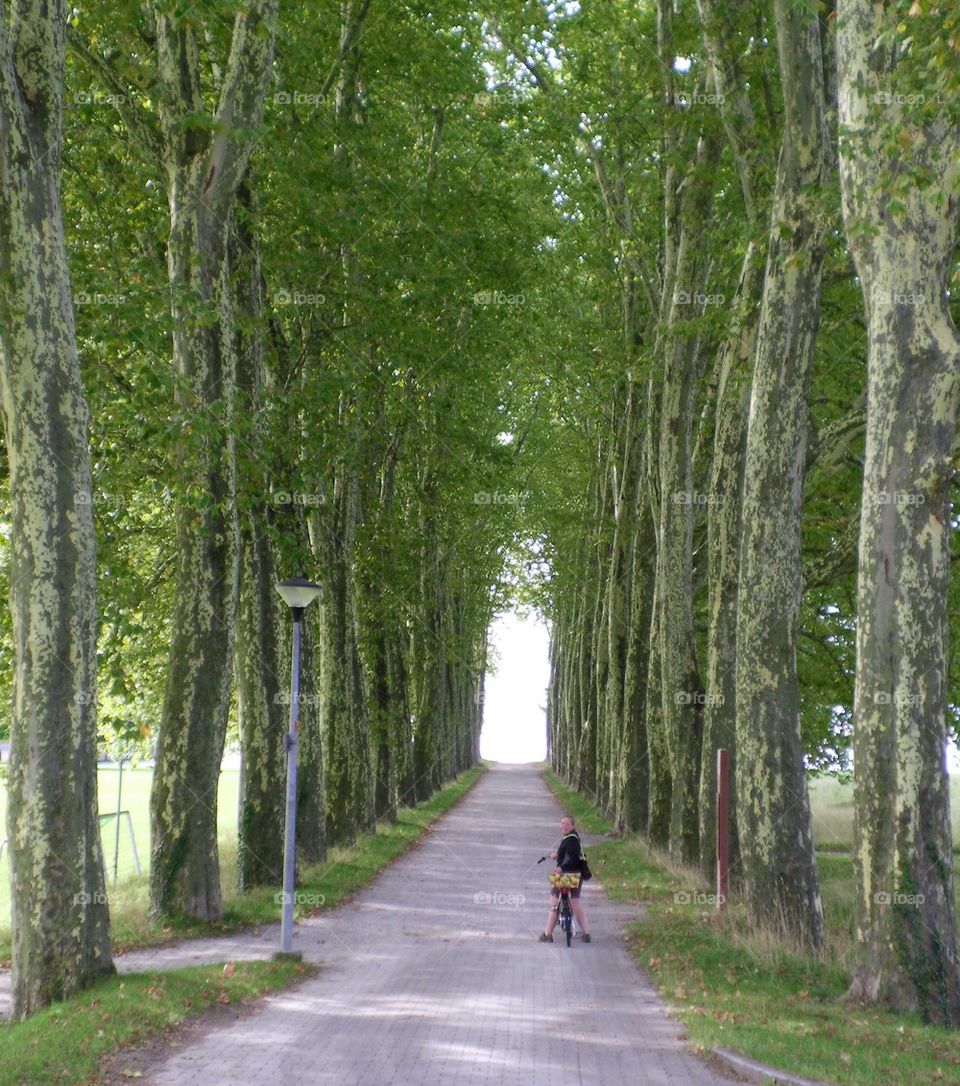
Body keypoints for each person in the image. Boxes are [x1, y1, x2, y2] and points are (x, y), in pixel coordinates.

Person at [538, 814, 591, 943]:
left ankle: (547, 934)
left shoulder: (571, 840)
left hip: (566, 875)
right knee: (576, 903)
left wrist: (561, 868)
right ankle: (586, 934)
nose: (564, 826)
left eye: (567, 824)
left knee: (554, 903)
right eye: (562, 823)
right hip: (576, 876)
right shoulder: (572, 838)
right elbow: (569, 854)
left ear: (573, 826)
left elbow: (570, 857)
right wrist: (557, 855)